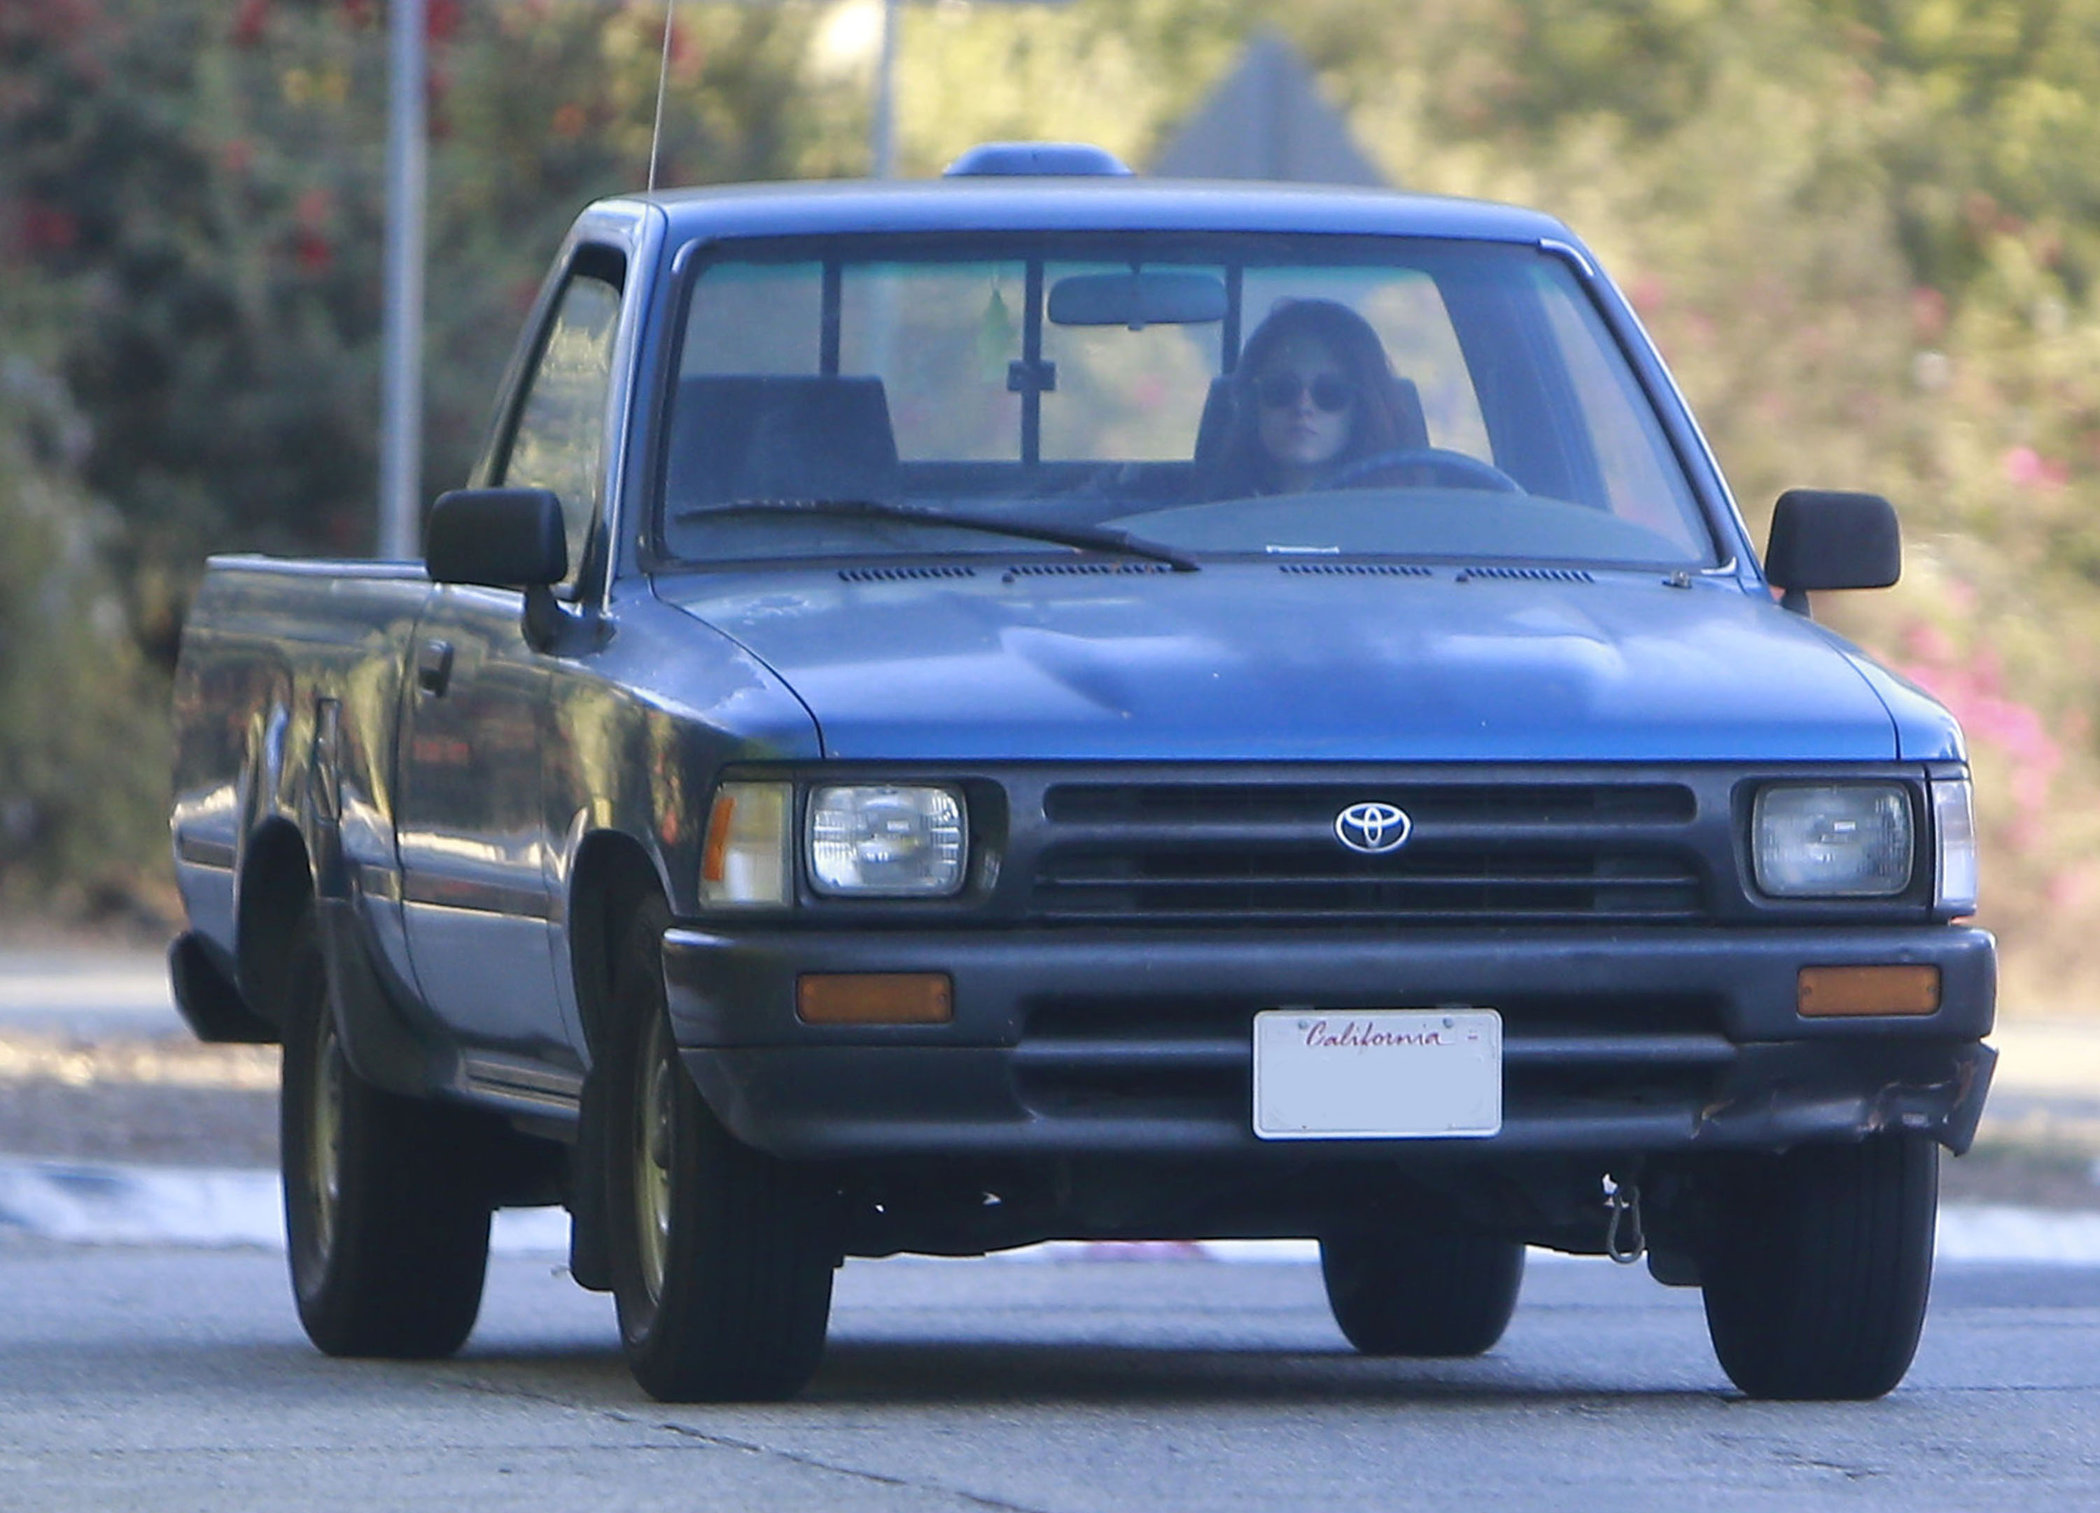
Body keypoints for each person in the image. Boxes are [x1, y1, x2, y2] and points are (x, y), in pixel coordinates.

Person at [1204, 298, 1424, 497]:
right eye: (1282, 389)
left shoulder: (1400, 525)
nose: (1303, 406)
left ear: (1362, 410)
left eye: (1330, 393)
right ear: (1251, 403)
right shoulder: (1201, 524)